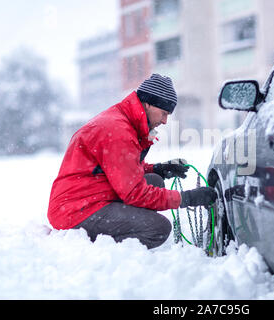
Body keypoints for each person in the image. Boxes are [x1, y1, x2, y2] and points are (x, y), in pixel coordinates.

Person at [47, 74, 217, 248]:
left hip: (88, 196)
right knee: (158, 228)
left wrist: (157, 169)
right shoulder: (119, 131)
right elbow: (135, 193)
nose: (165, 121)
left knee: (155, 181)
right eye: (164, 113)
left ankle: (119, 229)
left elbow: (118, 166)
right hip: (75, 211)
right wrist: (185, 198)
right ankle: (95, 249)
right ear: (148, 103)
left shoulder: (122, 120)